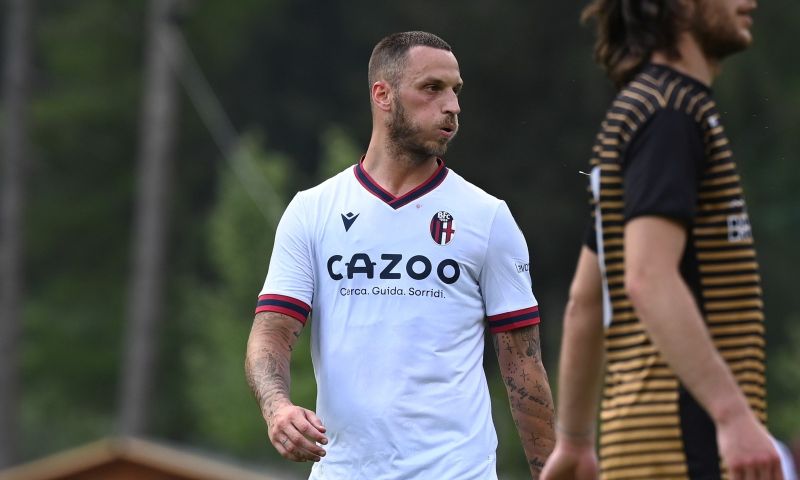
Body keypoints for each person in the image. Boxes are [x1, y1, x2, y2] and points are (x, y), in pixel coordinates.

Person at [245, 31, 555, 479]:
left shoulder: (487, 217)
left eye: (456, 90)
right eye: (432, 88)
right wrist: (278, 409)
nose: (452, 106)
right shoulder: (312, 210)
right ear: (383, 95)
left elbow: (524, 366)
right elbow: (270, 333)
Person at [541, 0, 785, 479]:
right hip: (689, 447)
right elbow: (648, 277)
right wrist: (733, 417)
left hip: (639, 450)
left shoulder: (641, 109)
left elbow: (584, 302)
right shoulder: (671, 114)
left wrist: (574, 439)